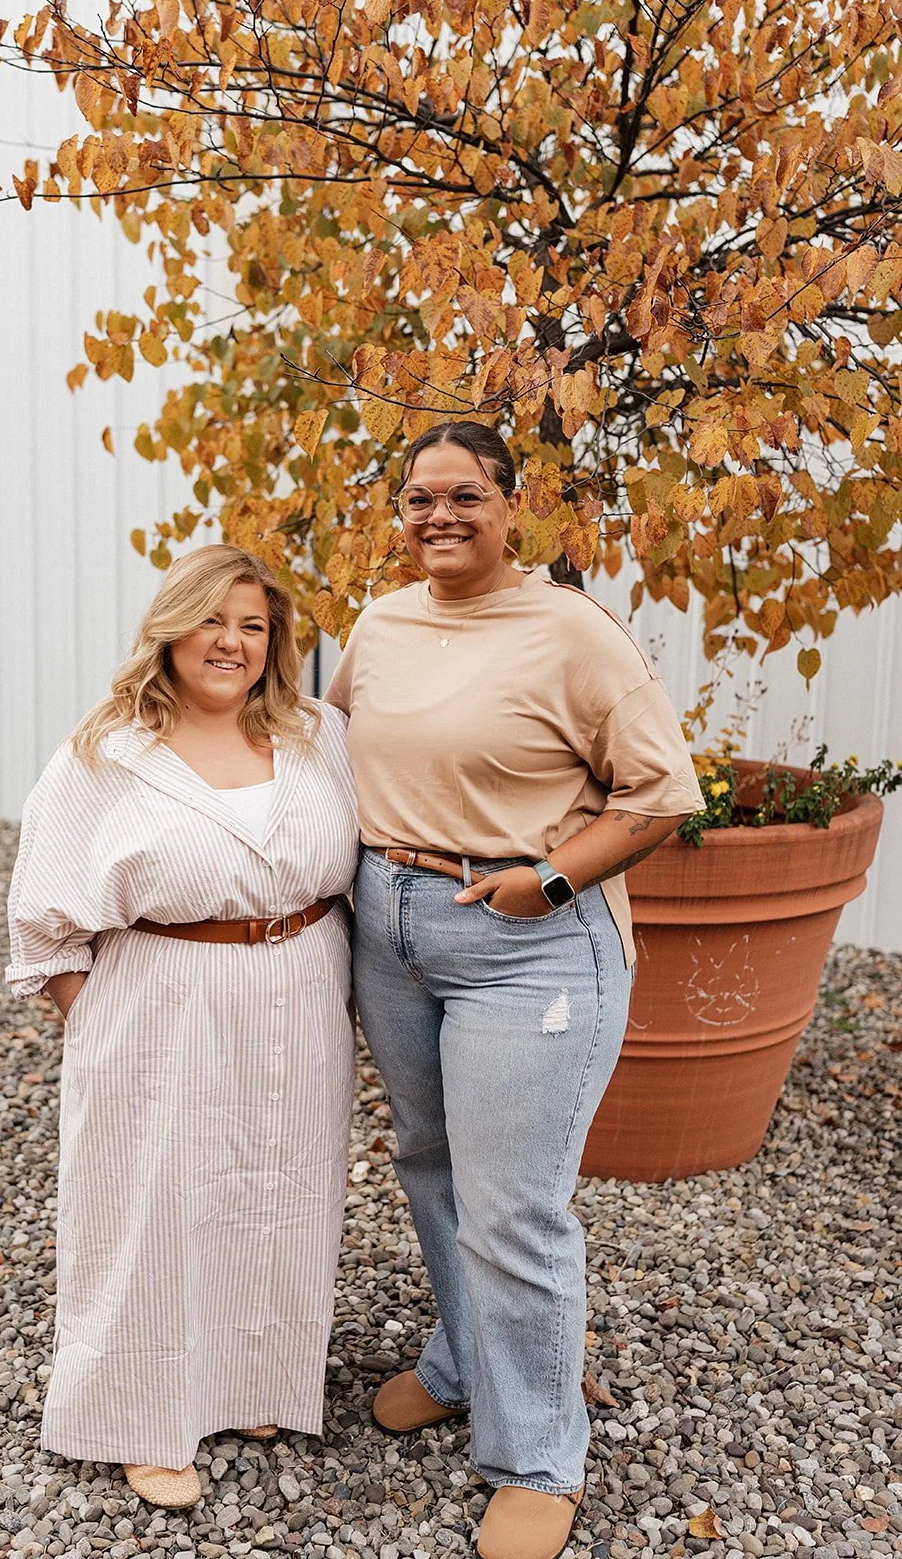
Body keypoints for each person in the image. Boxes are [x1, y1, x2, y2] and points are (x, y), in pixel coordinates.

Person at [326, 422, 704, 1559]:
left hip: (523, 939)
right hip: (389, 925)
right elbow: (331, 749)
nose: (436, 514)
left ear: (509, 505)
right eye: (414, 498)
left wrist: (545, 881)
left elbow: (661, 795)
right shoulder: (380, 622)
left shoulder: (572, 633)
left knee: (512, 1203)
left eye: (462, 494)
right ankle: (459, 1359)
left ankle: (537, 1452)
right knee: (429, 1162)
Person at [5, 545, 359, 1509]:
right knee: (152, 1206)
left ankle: (249, 1381)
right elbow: (41, 913)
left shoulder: (317, 735)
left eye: (252, 625)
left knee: (276, 1191)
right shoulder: (104, 755)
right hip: (162, 999)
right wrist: (106, 1022)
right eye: (213, 620)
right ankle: (137, 1415)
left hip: (297, 991)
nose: (231, 642)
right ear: (171, 629)